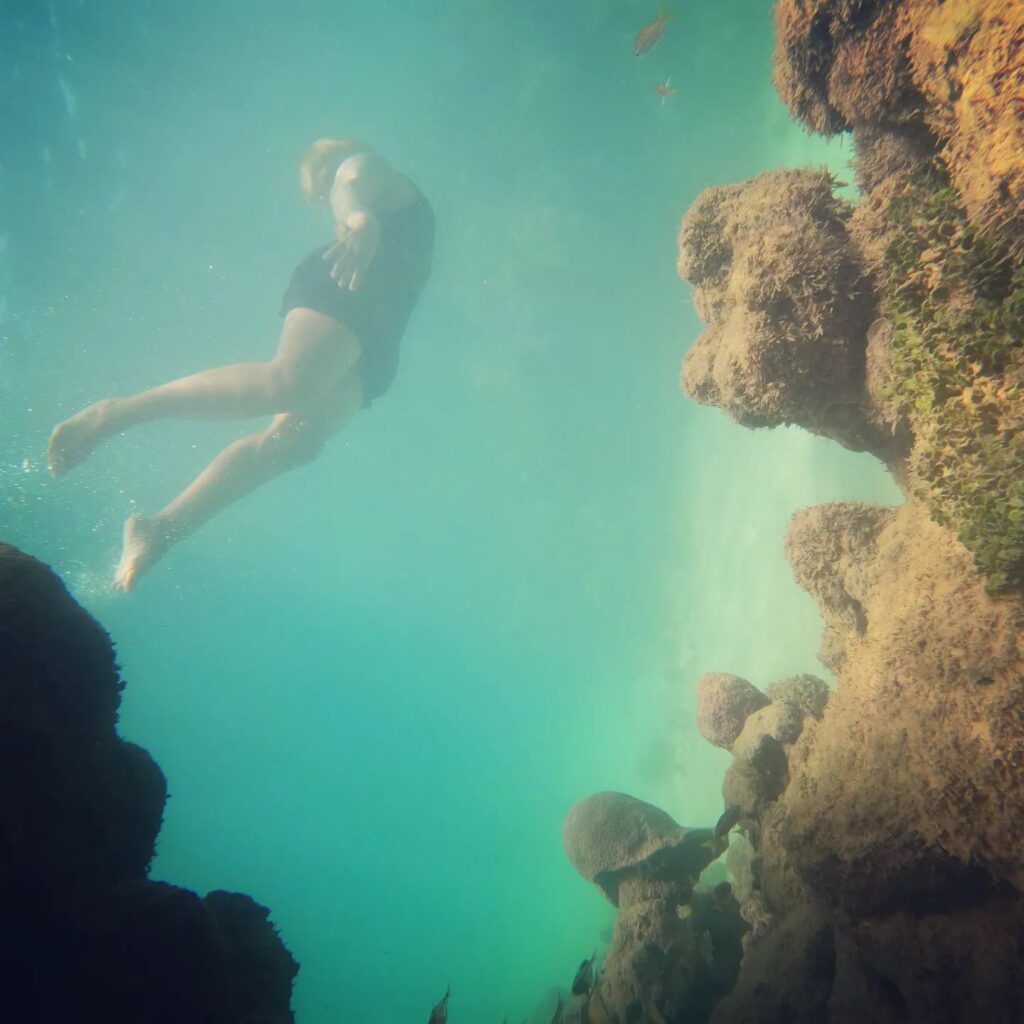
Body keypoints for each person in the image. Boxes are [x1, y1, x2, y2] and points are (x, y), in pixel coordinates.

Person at [47, 138, 435, 591]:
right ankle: (114, 414)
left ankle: (160, 528)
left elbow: (352, 184)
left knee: (293, 443)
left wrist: (357, 215)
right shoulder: (357, 187)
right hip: (352, 288)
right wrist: (356, 216)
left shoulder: (374, 169)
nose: (331, 190)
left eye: (325, 181)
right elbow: (347, 189)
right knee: (287, 383)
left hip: (381, 327)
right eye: (321, 188)